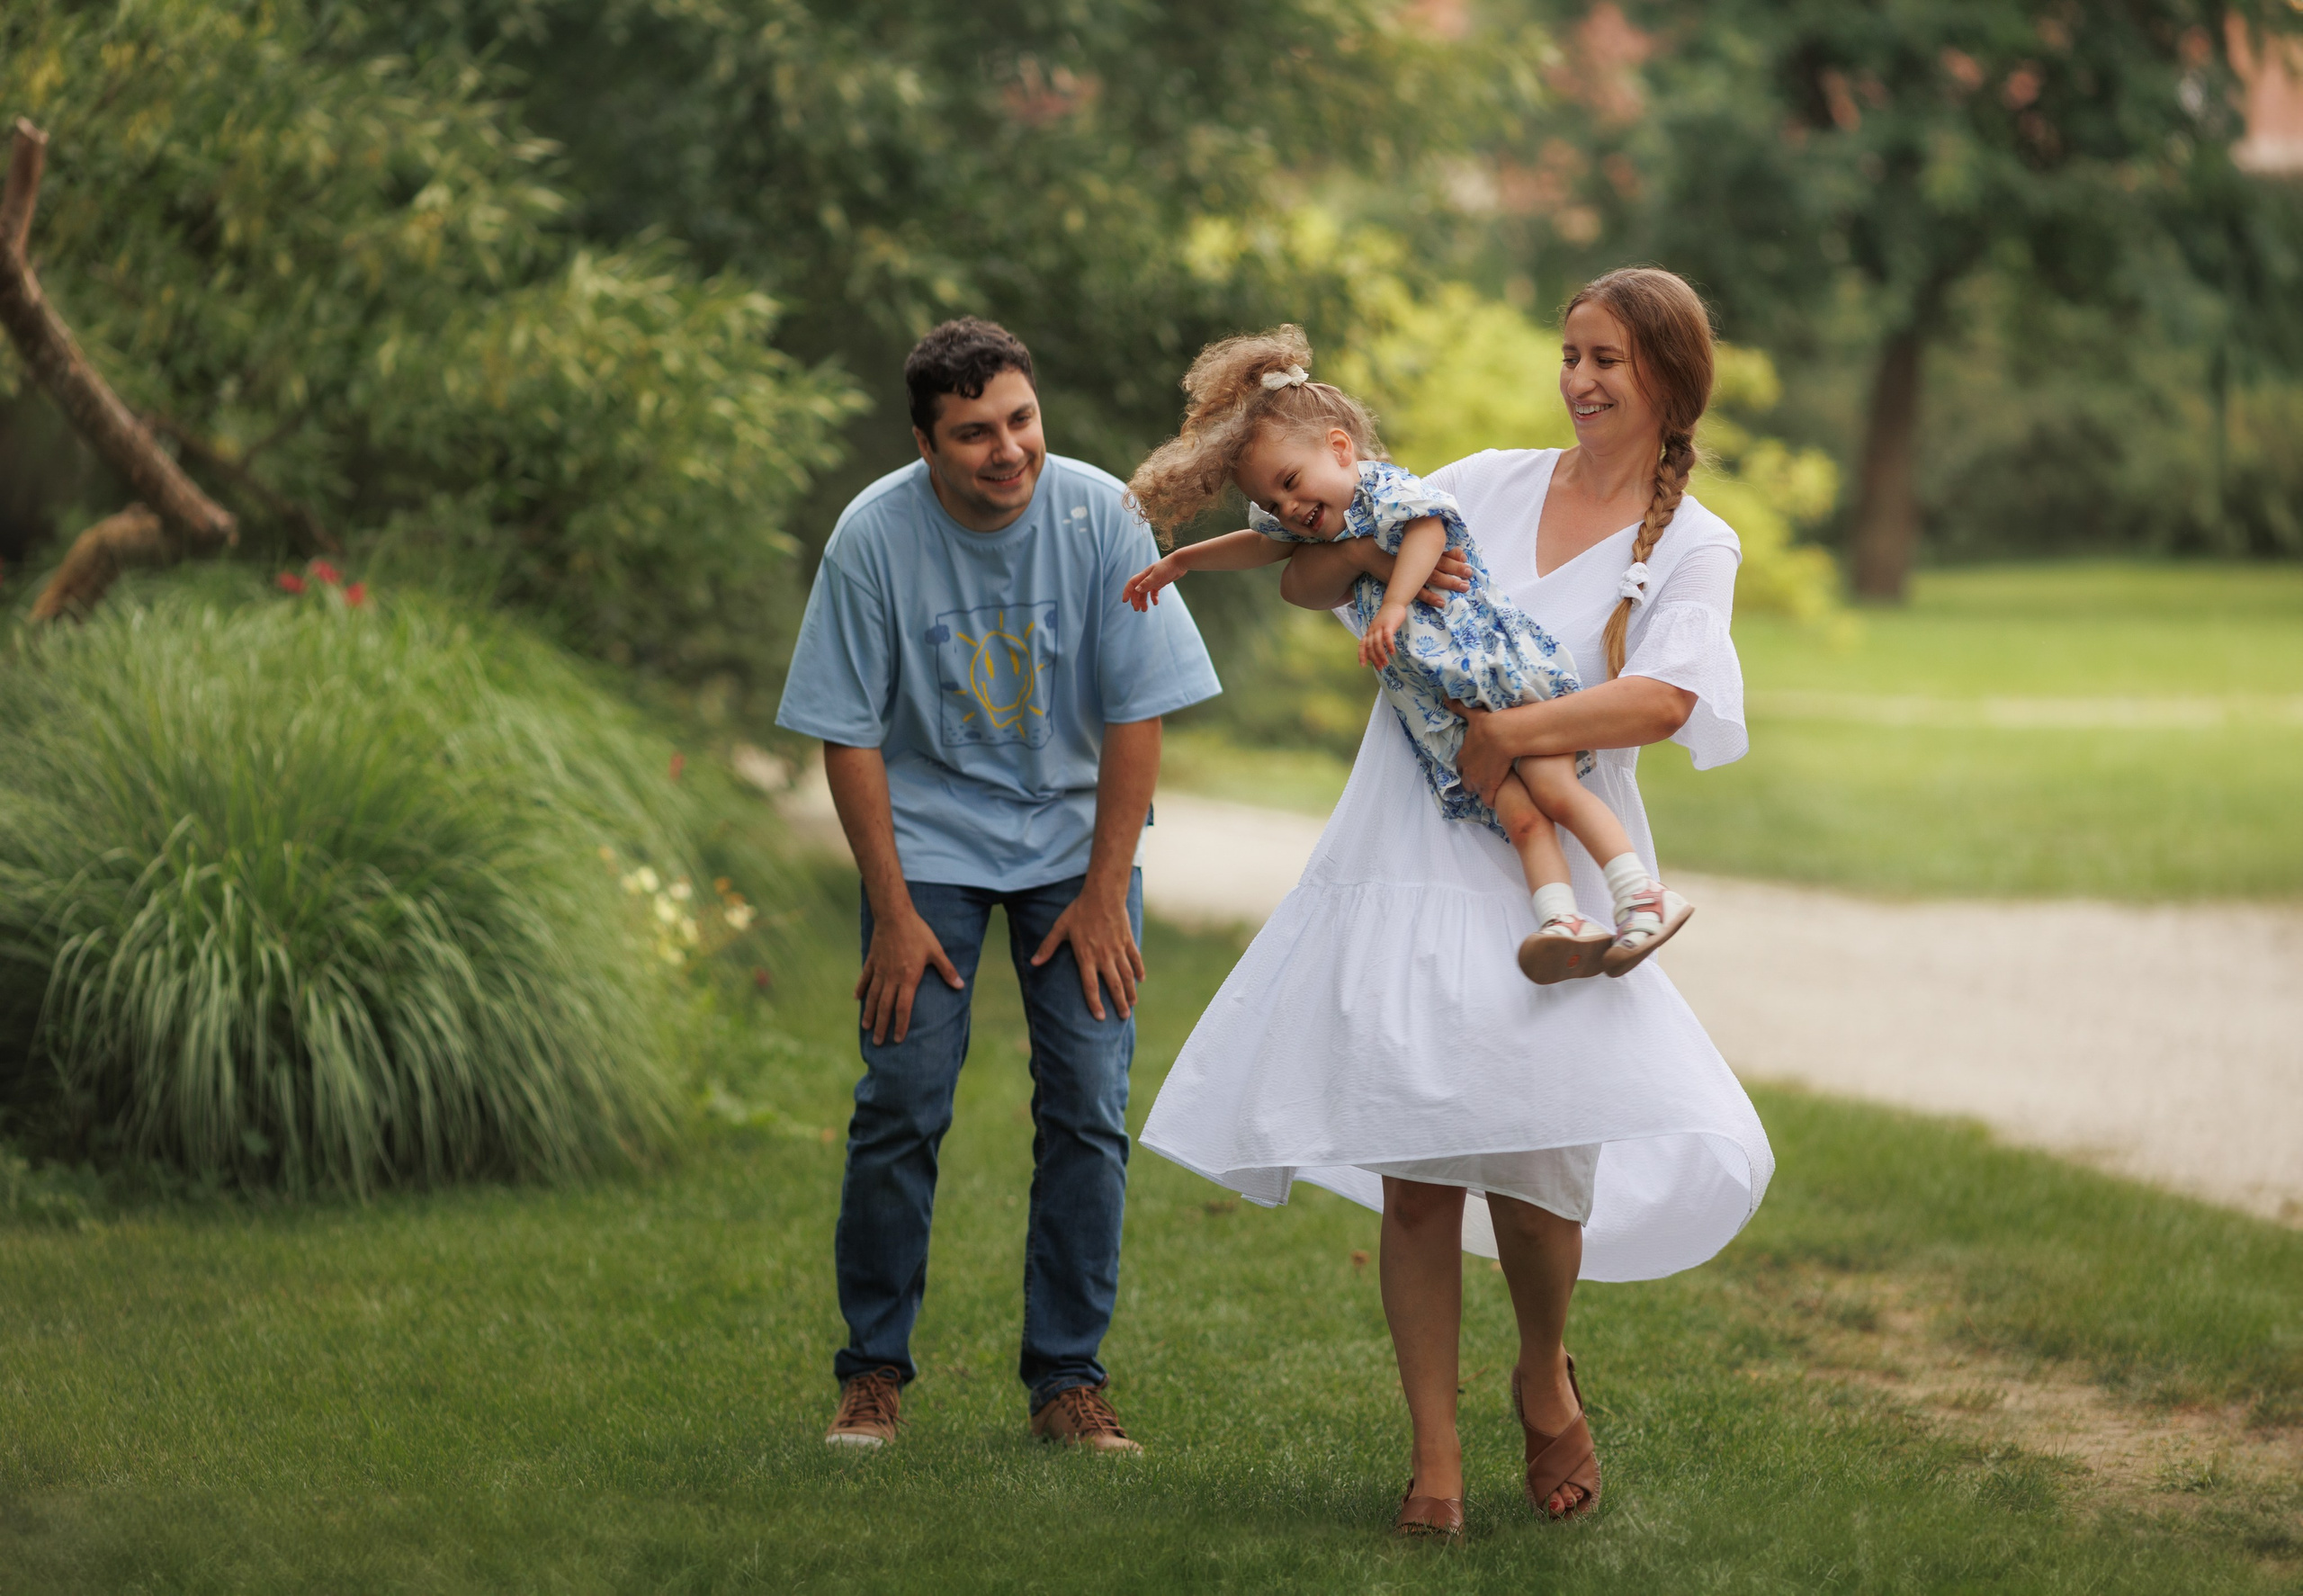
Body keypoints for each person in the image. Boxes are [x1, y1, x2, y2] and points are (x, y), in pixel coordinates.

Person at [1136, 268, 1772, 1537]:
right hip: (1412, 849)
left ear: (1668, 381)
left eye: (1610, 359)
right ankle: (1435, 1459)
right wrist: (1319, 550)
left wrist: (1512, 732)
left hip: (1557, 868)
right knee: (1416, 1163)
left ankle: (1542, 1372)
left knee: (1539, 1170)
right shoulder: (1481, 480)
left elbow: (1664, 701)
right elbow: (1320, 564)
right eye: (1572, 352)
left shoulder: (1693, 541)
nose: (1582, 379)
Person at [775, 317, 1222, 1455]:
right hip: (928, 846)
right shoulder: (872, 536)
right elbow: (845, 731)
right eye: (973, 432)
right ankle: (871, 1372)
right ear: (925, 444)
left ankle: (1068, 1381)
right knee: (900, 1100)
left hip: (1079, 847)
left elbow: (1137, 710)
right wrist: (890, 911)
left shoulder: (1102, 515)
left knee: (1085, 1106)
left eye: (1019, 419)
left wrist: (1102, 887)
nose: (1007, 449)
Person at [1121, 326, 1695, 983]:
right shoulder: (1314, 517)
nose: (1289, 507)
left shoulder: (1383, 490)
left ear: (1340, 449)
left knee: (1555, 791)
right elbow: (1264, 550)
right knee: (1519, 815)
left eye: (1291, 483)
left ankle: (1642, 891)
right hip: (1447, 714)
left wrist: (1393, 602)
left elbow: (1428, 530)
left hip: (1497, 676)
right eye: (1272, 501)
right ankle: (1563, 920)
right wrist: (1181, 561)